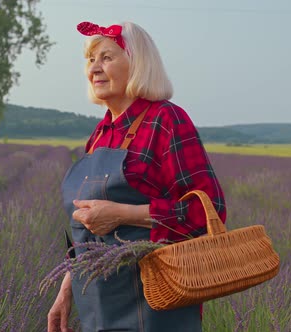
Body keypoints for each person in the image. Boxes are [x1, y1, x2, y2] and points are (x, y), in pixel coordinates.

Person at [47, 21, 227, 332]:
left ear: (139, 64)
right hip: (100, 307)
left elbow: (208, 209)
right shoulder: (100, 135)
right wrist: (66, 289)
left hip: (157, 303)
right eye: (91, 60)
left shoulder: (166, 120)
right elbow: (87, 232)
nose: (95, 68)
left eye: (107, 57)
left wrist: (122, 214)